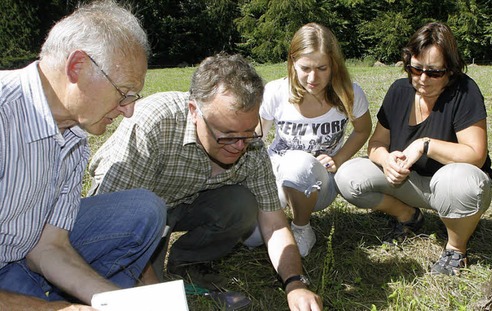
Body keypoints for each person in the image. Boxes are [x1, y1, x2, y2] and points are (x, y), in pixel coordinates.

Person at [88, 53, 323, 310]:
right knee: (132, 283)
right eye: (227, 135)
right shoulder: (154, 124)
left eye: (248, 133)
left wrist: (295, 284)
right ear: (194, 111)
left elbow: (275, 225)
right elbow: (116, 218)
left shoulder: (252, 146)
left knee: (242, 204)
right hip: (134, 214)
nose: (239, 146)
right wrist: (155, 291)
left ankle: (188, 261)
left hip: (183, 203)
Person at [0, 1, 166, 309]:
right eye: (124, 92)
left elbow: (50, 247)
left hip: (19, 258)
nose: (129, 111)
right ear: (77, 66)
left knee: (143, 209)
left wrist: (116, 304)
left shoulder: (75, 136)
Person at [335, 22, 492, 276]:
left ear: (451, 71)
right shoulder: (399, 91)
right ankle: (408, 216)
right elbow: (376, 144)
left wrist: (425, 145)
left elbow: (476, 155)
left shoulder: (465, 91)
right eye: (416, 69)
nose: (422, 79)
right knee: (348, 176)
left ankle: (456, 249)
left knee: (457, 180)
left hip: (453, 185)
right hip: (410, 184)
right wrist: (386, 160)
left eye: (434, 73)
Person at [252, 23, 371, 257]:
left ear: (334, 65)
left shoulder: (349, 93)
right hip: (276, 175)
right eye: (305, 68)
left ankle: (302, 228)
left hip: (319, 182)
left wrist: (339, 158)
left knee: (298, 163)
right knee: (252, 238)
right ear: (292, 62)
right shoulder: (276, 91)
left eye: (322, 68)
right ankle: (278, 216)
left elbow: (363, 130)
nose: (313, 77)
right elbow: (257, 136)